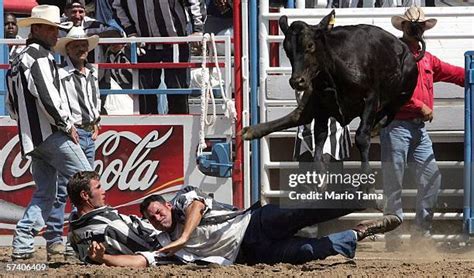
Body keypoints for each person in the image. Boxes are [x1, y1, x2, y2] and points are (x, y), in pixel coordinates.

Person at [85, 186, 401, 267]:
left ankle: (365, 197)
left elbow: (197, 206)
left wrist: (183, 237)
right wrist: (104, 259)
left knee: (301, 211)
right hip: (249, 255)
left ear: (166, 205)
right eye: (151, 217)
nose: (156, 218)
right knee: (307, 252)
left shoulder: (183, 201)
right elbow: (139, 261)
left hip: (252, 223)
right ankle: (359, 232)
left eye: (156, 210)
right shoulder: (163, 244)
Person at [5, 5, 92, 260]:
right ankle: (85, 238)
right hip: (52, 134)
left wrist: (28, 125)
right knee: (87, 181)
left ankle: (23, 243)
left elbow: (11, 105)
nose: (57, 34)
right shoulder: (39, 57)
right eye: (53, 29)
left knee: (46, 192)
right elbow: (48, 97)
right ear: (38, 28)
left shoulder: (18, 58)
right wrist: (67, 124)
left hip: (33, 138)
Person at [381, 6, 464, 251]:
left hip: (416, 129)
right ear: (404, 28)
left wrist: (470, 74)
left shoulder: (426, 58)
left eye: (419, 26)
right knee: (393, 182)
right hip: (397, 124)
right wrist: (420, 107)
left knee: (431, 179)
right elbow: (392, 92)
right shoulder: (393, 55)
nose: (417, 30)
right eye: (412, 26)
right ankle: (394, 237)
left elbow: (454, 73)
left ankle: (420, 232)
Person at [39, 26, 102, 258]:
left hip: (86, 132)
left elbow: (95, 98)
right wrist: (68, 126)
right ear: (67, 49)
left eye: (83, 44)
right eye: (76, 44)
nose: (81, 48)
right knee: (70, 188)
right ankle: (55, 237)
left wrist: (97, 119)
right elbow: (56, 102)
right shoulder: (61, 74)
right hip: (72, 133)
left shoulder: (92, 72)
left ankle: (73, 237)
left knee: (83, 188)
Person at [111, 0, 207, 114]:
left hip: (175, 42)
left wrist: (198, 30)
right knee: (145, 91)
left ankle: (178, 126)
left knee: (177, 88)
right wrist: (131, 31)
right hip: (145, 44)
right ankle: (148, 126)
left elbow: (195, 2)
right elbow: (117, 6)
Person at [66, 171, 175, 265]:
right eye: (98, 188)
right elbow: (154, 251)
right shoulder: (109, 225)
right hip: (166, 236)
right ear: (85, 195)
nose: (104, 191)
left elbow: (86, 259)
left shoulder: (73, 229)